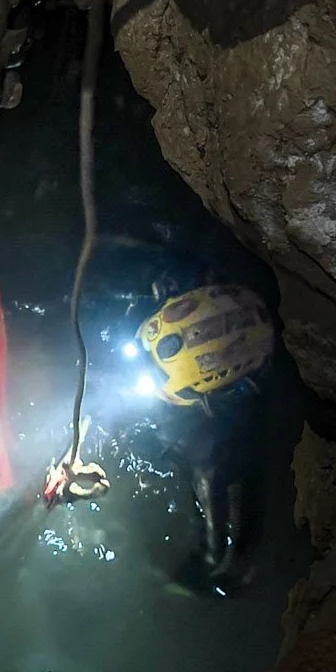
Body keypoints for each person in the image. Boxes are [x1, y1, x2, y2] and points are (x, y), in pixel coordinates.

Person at [83, 236, 276, 589]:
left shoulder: (211, 438)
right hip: (228, 396)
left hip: (220, 427)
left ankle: (221, 570)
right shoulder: (181, 277)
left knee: (218, 479)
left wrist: (209, 560)